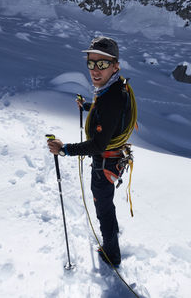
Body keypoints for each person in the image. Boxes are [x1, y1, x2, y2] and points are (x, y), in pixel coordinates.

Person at [48, 36, 136, 266]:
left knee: (103, 209)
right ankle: (113, 234)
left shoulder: (111, 97)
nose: (95, 70)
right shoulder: (117, 87)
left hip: (105, 164)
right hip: (115, 160)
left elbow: (97, 144)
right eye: (91, 63)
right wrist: (88, 106)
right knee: (107, 204)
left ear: (115, 65)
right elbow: (109, 117)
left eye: (102, 64)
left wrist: (64, 149)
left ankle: (112, 254)